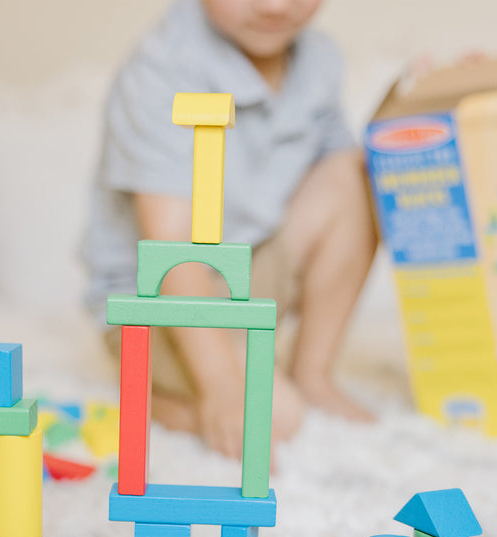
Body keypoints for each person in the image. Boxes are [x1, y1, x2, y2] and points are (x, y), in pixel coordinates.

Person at [81, 0, 377, 458]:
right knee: (275, 418)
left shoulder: (319, 59)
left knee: (352, 176)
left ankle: (313, 373)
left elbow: (347, 171)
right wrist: (218, 382)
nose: (274, 6)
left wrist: (426, 107)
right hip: (158, 301)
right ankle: (164, 403)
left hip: (248, 272)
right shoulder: (163, 67)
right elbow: (170, 247)